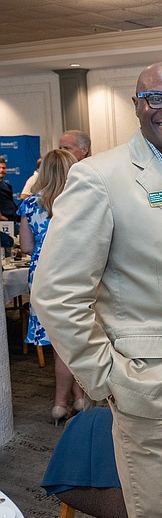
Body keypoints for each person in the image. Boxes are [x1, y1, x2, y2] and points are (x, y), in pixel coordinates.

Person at [31, 61, 162, 518]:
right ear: (137, 105)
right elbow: (56, 293)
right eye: (156, 98)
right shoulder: (99, 177)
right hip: (145, 384)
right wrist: (107, 375)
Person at [16, 149, 84, 425]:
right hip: (76, 273)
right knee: (75, 341)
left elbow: (26, 247)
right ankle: (74, 400)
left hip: (44, 276)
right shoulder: (80, 200)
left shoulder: (30, 205)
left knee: (60, 343)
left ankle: (64, 403)